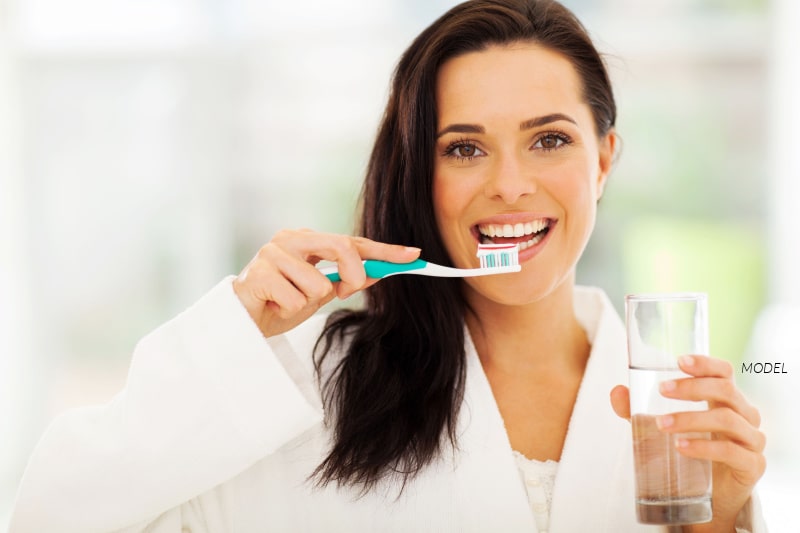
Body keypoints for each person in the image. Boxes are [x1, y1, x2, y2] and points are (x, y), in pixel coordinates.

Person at [10, 0, 767, 531]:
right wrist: (235, 336)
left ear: (603, 160)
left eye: (549, 139)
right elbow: (50, 516)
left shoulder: (671, 413)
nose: (509, 184)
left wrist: (722, 518)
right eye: (464, 147)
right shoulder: (302, 385)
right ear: (419, 173)